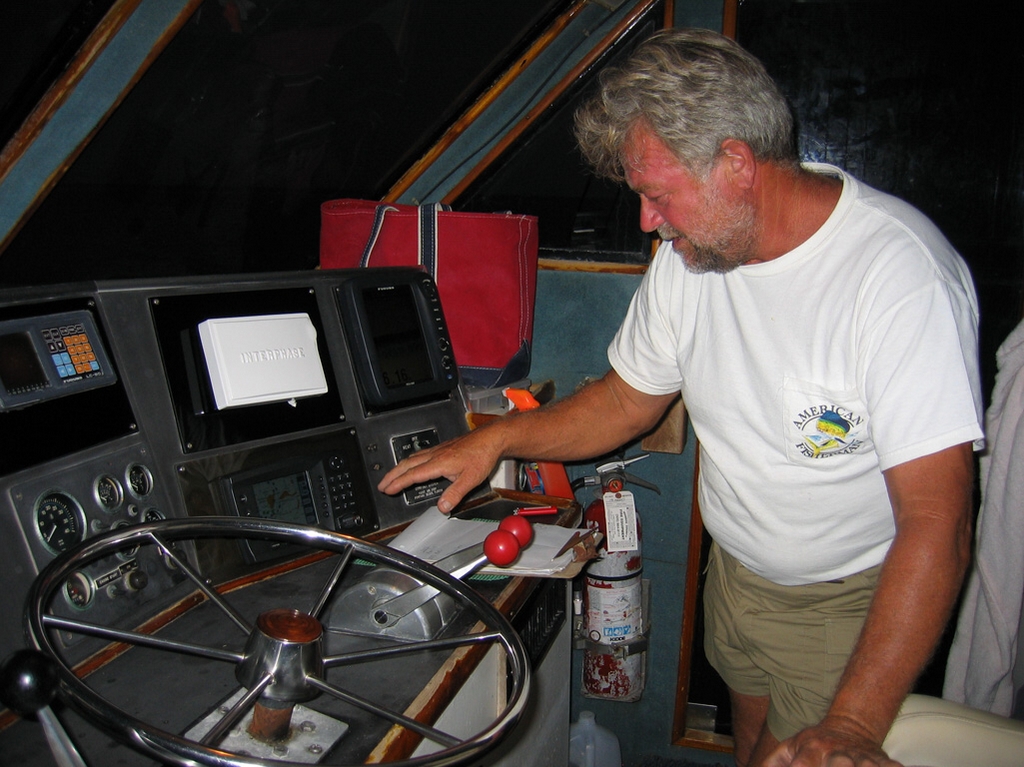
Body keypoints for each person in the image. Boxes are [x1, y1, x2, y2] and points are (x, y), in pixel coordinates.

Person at [378, 28, 984, 767]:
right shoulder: (691, 261)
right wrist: (499, 438)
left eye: (656, 194)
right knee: (750, 744)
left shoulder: (898, 278)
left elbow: (938, 522)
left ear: (734, 163)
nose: (646, 221)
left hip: (846, 601)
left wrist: (855, 722)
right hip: (738, 574)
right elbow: (627, 400)